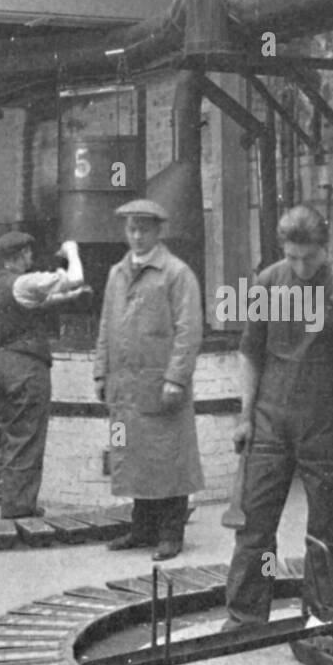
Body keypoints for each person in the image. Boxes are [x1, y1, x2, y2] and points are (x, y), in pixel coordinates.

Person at [224, 204, 333, 626]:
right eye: (292, 256)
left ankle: (325, 615)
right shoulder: (268, 283)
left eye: (309, 257)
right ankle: (244, 618)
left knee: (327, 528)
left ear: (324, 248)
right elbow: (250, 354)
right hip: (270, 418)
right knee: (254, 524)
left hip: (323, 425)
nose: (301, 266)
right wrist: (245, 416)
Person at [94, 200, 204, 562]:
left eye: (143, 229)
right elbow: (107, 324)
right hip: (125, 386)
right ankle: (142, 528)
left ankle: (171, 534)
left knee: (169, 458)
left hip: (160, 386)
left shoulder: (177, 273)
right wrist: (100, 370)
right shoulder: (117, 273)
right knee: (134, 455)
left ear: (158, 231)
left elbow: (189, 331)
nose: (136, 236)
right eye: (131, 229)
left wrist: (176, 377)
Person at [0, 231, 85, 519]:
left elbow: (37, 303)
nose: (31, 257)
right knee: (28, 437)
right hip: (25, 368)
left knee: (14, 436)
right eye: (28, 253)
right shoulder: (24, 281)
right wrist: (72, 252)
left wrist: (71, 296)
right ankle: (19, 508)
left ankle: (15, 501)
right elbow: (75, 276)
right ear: (19, 256)